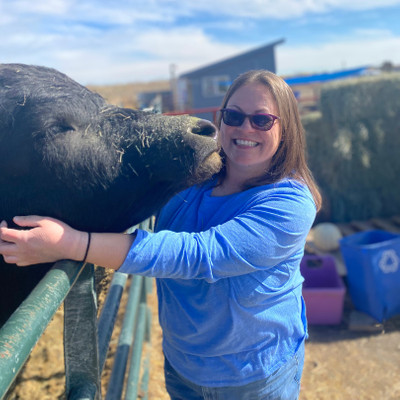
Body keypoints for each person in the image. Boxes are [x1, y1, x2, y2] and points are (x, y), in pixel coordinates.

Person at [0, 70, 321, 400]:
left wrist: (69, 244)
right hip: (184, 365)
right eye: (234, 116)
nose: (244, 128)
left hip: (253, 374)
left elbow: (199, 255)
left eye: (262, 120)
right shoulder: (197, 179)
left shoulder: (290, 203)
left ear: (286, 129)